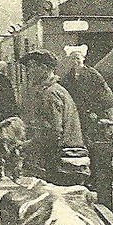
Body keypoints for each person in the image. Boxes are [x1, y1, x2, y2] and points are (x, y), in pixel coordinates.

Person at [59, 43, 113, 209]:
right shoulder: (67, 78)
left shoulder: (93, 75)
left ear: (83, 59)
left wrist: (97, 113)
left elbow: (108, 100)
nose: (76, 61)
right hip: (77, 123)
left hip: (95, 124)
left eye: (78, 58)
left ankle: (105, 203)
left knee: (100, 162)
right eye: (73, 58)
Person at [17, 49, 87, 185]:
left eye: (31, 67)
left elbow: (52, 133)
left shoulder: (50, 94)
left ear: (43, 69)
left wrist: (26, 146)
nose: (28, 72)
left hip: (63, 163)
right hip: (67, 159)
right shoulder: (55, 90)